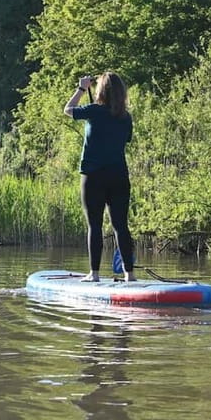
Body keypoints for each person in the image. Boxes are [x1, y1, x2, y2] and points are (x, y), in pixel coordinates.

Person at [63, 72, 135, 282]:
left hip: (93, 176)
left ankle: (94, 274)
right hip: (119, 176)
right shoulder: (125, 117)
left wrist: (81, 88)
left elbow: (68, 110)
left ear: (100, 91)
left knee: (95, 225)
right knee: (120, 225)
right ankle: (129, 274)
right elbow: (126, 139)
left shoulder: (94, 111)